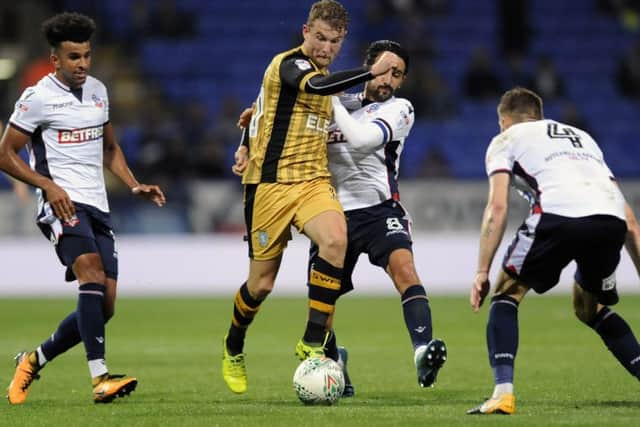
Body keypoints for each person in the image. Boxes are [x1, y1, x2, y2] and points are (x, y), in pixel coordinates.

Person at [221, 0, 398, 395]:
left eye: (334, 41)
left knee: (336, 239)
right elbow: (313, 86)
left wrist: (244, 137)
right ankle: (234, 344)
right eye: (319, 37)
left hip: (313, 182)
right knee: (261, 285)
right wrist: (371, 70)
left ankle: (313, 341)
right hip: (270, 186)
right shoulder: (289, 65)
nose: (325, 47)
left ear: (342, 41)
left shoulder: (330, 82)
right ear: (305, 32)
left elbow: (262, 111)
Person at [1, 12, 165, 404]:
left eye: (87, 55)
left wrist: (134, 183)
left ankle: (33, 360)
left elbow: (109, 147)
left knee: (103, 305)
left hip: (97, 203)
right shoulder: (36, 98)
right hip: (61, 203)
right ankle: (101, 378)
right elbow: (6, 153)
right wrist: (47, 185)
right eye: (74, 57)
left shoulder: (97, 91)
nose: (83, 64)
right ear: (55, 59)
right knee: (89, 272)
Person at [467, 87, 640, 415]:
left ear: (504, 121)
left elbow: (497, 207)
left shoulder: (505, 140)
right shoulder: (581, 138)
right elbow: (630, 220)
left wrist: (481, 271)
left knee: (506, 294)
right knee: (589, 308)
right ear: (539, 116)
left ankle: (503, 394)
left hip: (556, 214)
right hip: (610, 219)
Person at [320, 40, 448, 395]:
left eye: (398, 74)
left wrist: (327, 98)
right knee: (322, 303)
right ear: (366, 68)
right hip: (331, 214)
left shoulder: (399, 109)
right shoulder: (339, 103)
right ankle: (335, 366)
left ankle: (422, 352)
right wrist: (248, 134)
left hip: (379, 208)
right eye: (384, 70)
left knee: (405, 269)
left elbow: (361, 141)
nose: (389, 79)